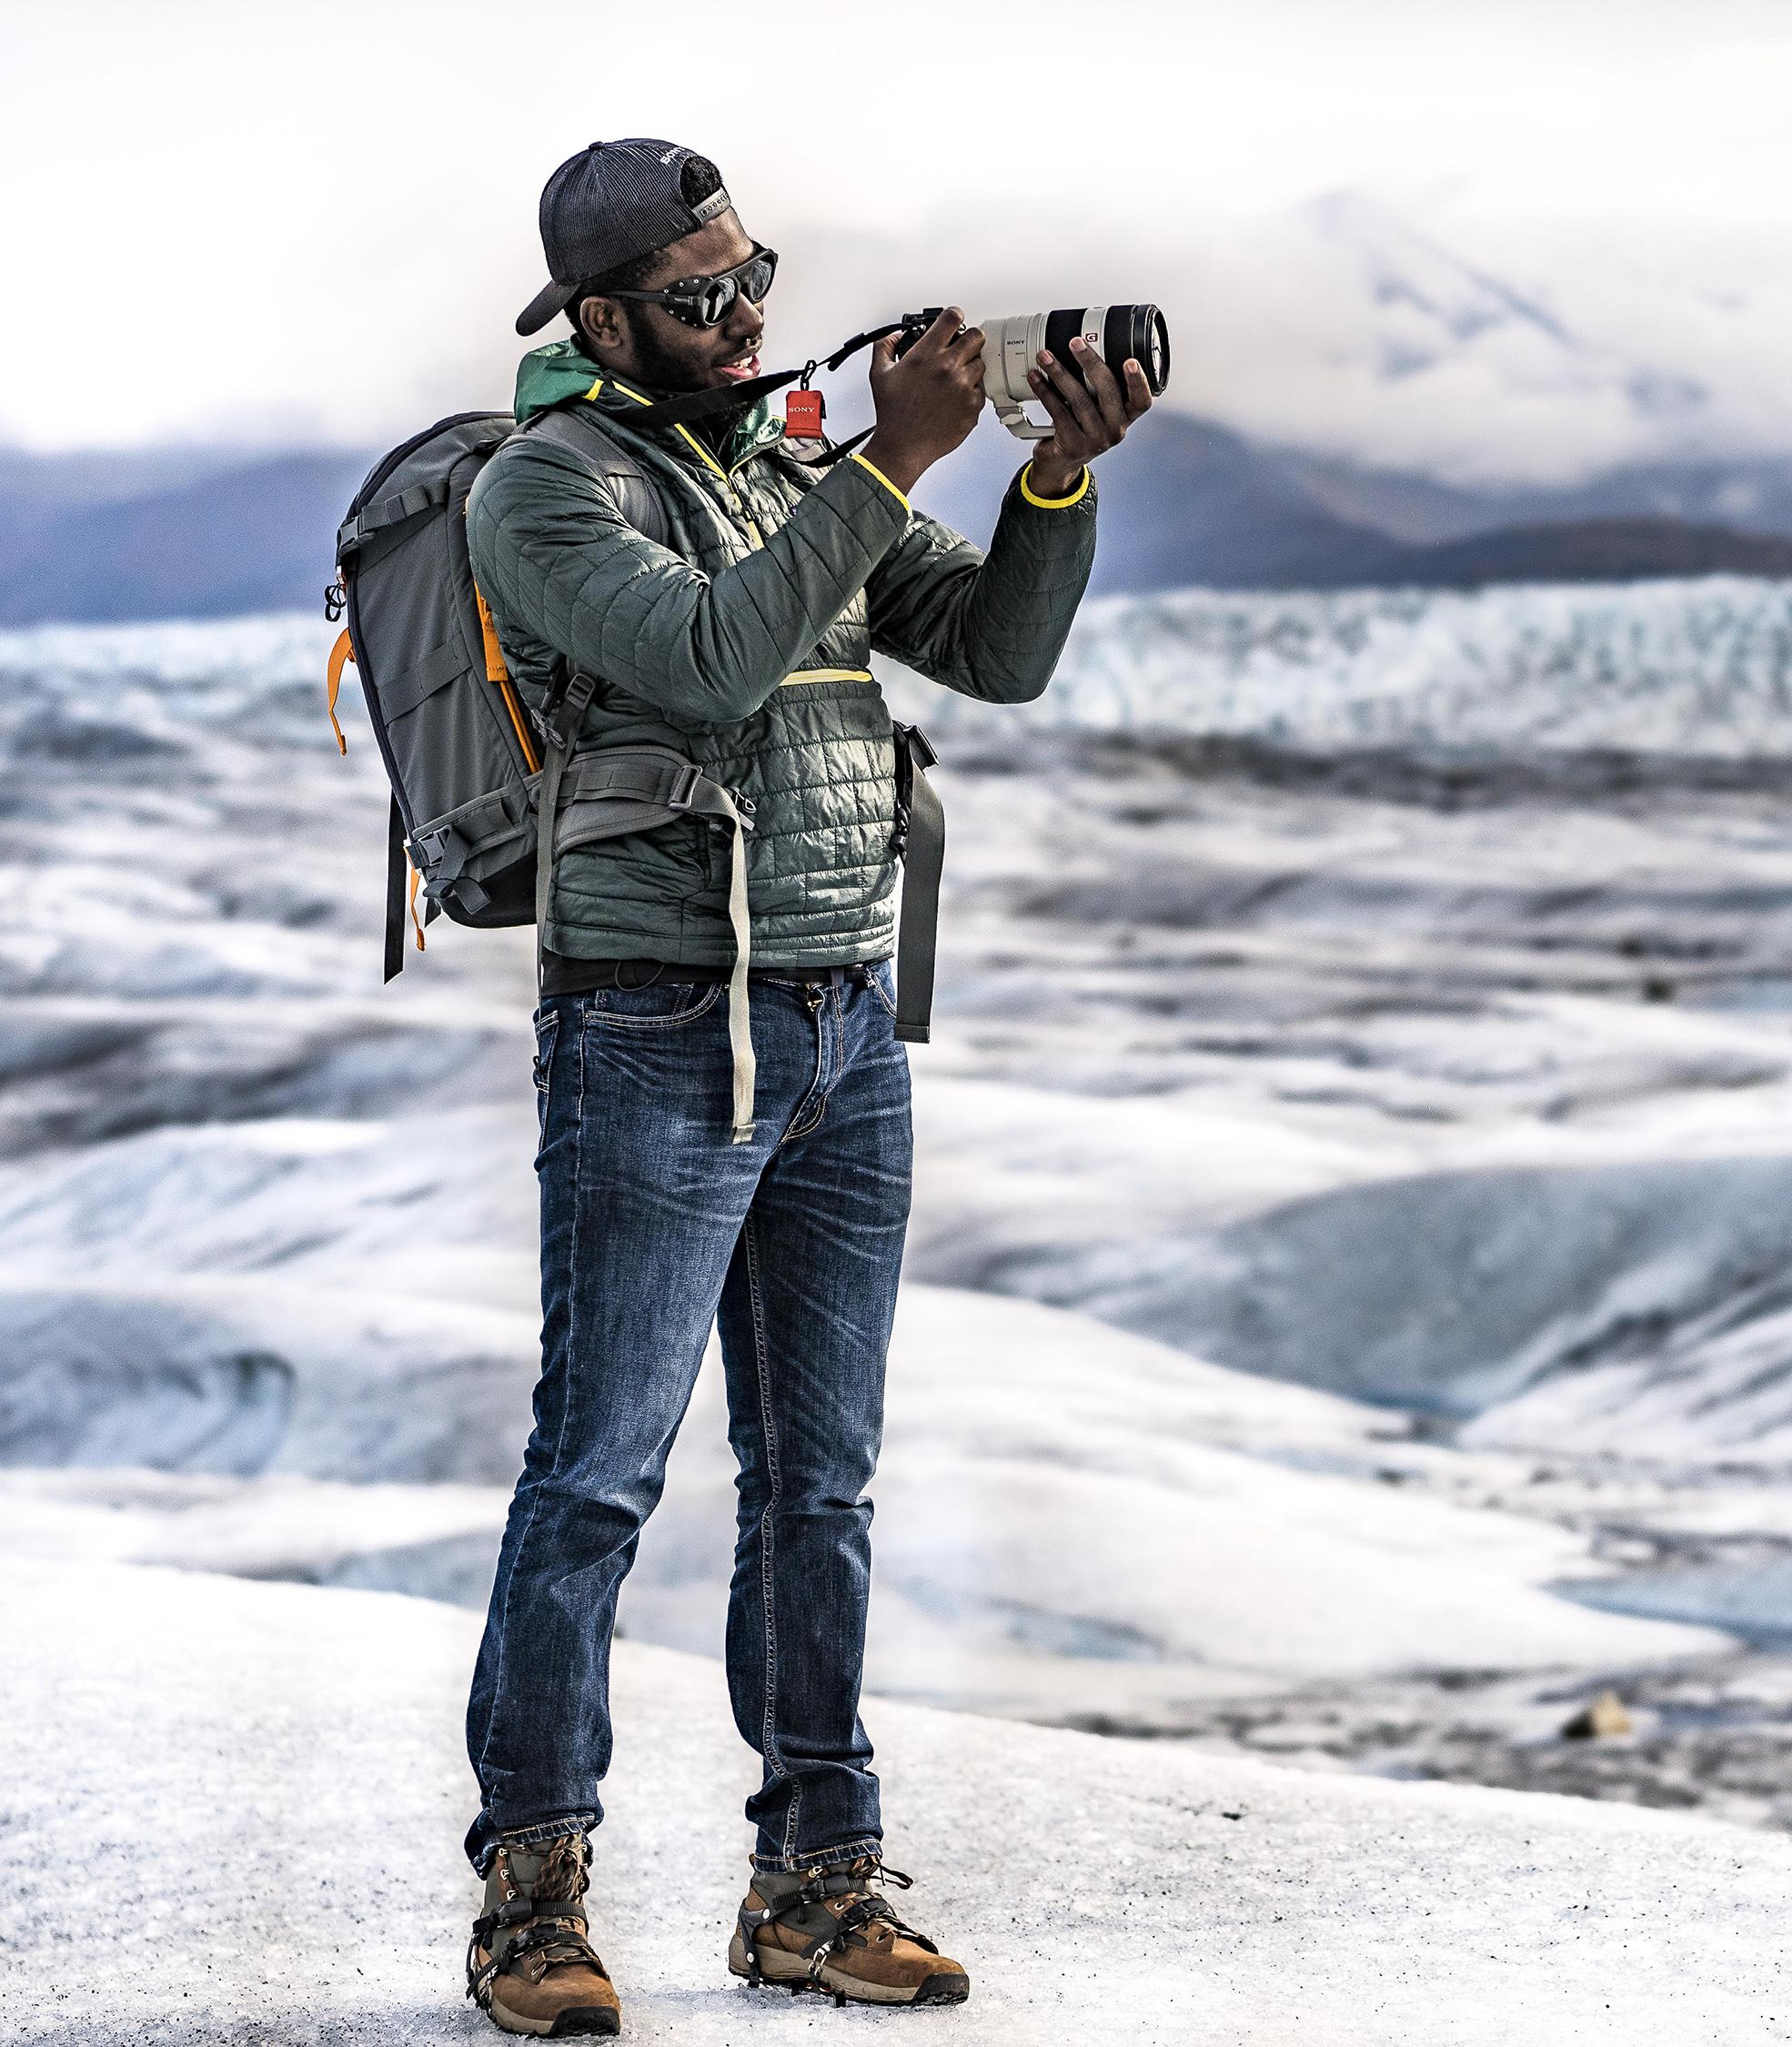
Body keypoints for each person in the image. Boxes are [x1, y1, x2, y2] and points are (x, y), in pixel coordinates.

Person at [457, 137, 1151, 2038]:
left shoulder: (784, 463)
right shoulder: (547, 489)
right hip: (659, 1023)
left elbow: (995, 655)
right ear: (598, 321)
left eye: (750, 273)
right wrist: (886, 460)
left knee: (822, 1483)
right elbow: (703, 655)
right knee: (597, 1477)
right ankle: (532, 1898)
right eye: (698, 295)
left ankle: (814, 1886)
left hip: (843, 1021)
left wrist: (1052, 469)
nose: (744, 312)